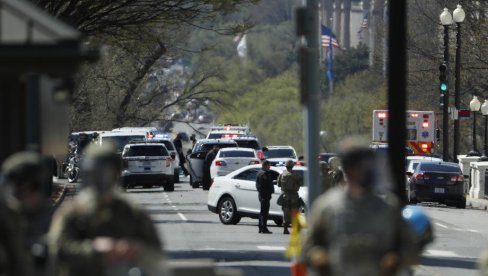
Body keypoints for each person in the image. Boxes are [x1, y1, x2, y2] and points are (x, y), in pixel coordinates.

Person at [48, 144, 164, 276]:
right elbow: (57, 250)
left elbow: (156, 254)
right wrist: (93, 250)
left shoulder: (132, 213)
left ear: (116, 173)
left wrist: (135, 249)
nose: (100, 179)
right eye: (95, 173)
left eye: (105, 172)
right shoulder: (74, 213)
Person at [303, 147, 416, 276]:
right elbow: (307, 248)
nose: (368, 171)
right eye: (362, 167)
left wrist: (395, 259)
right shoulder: (327, 207)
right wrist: (318, 257)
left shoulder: (387, 207)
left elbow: (409, 248)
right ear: (349, 169)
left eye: (370, 166)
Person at [2, 151, 55, 276]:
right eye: (19, 191)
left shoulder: (55, 219)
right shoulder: (6, 219)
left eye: (32, 188)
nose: (26, 196)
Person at [277, 160, 303, 235]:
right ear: (292, 166)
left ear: (286, 166)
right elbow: (301, 183)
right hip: (294, 195)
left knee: (286, 212)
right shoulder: (296, 175)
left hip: (285, 196)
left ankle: (285, 229)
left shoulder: (282, 174)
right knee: (295, 211)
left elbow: (278, 184)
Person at [256, 160, 274, 234]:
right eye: (268, 165)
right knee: (264, 212)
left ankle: (261, 227)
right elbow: (263, 186)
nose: (269, 167)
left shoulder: (259, 173)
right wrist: (266, 194)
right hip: (265, 195)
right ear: (265, 165)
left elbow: (258, 186)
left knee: (262, 212)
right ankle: (264, 228)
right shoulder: (264, 174)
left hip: (262, 195)